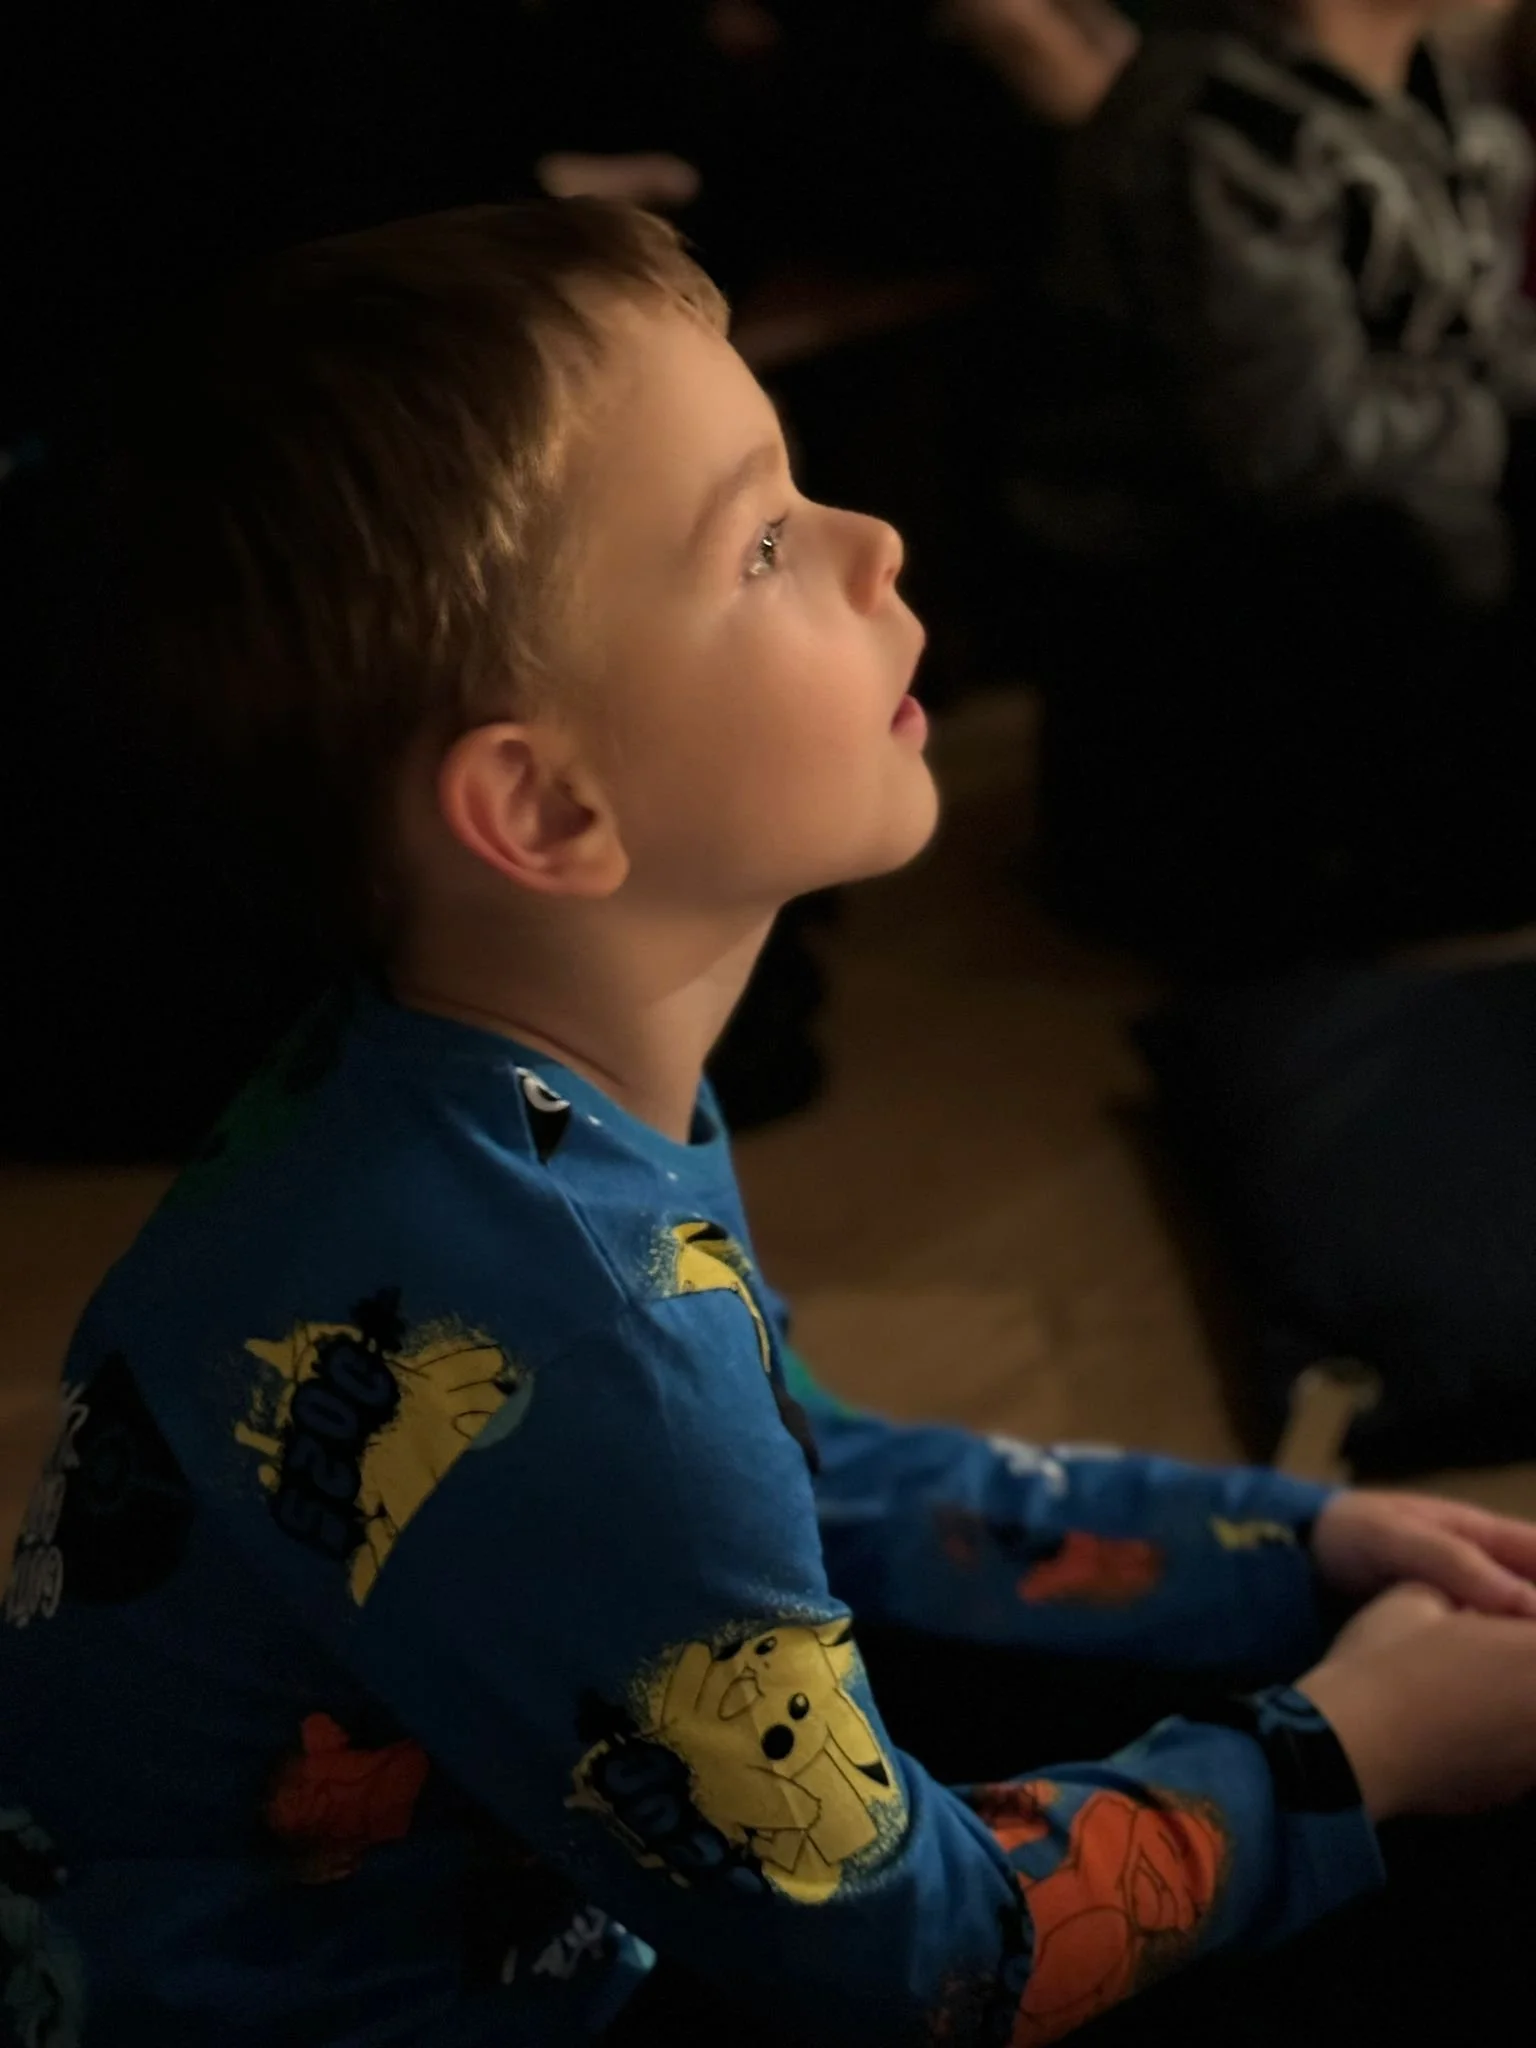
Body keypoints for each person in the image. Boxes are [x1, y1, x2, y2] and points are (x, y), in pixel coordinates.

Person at [10, 201, 1536, 2048]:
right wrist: (1359, 1746)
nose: (877, 539)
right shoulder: (572, 1333)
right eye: (759, 539)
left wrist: (1291, 1540)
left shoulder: (465, 1084)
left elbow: (800, 1468)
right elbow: (927, 1962)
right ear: (548, 812)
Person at [1014, 0, 1536, 965]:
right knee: (1400, 554)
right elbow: (1288, 443)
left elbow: (1482, 338)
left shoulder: (1437, 91)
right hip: (1197, 566)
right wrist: (1495, 428)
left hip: (1395, 477)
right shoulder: (1214, 120)